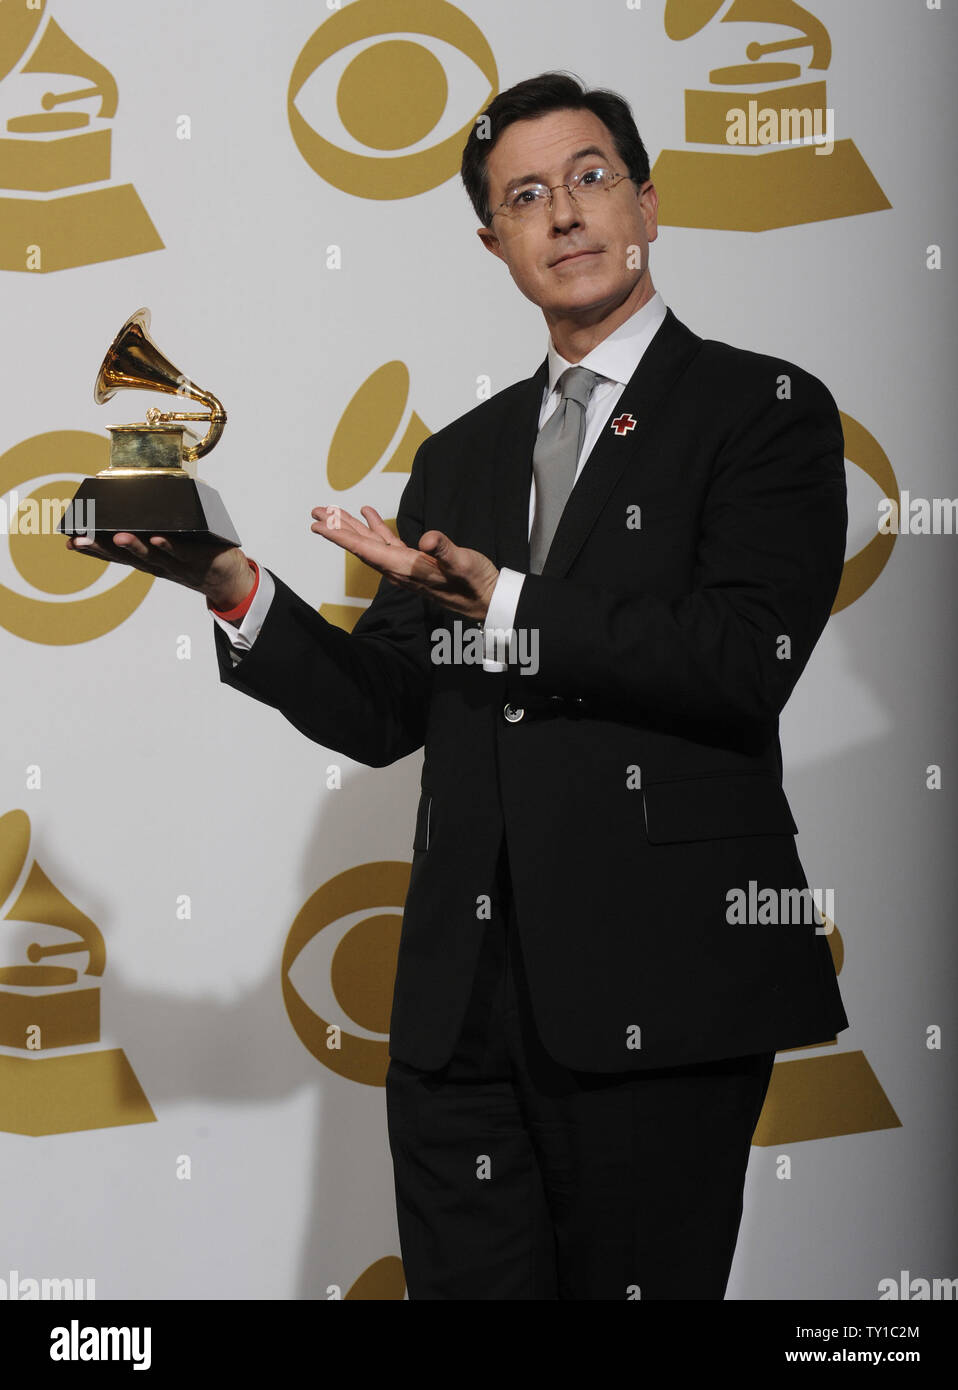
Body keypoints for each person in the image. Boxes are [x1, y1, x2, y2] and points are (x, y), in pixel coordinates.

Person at [67, 72, 848, 1301]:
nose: (566, 213)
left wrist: (508, 602)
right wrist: (231, 584)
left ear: (648, 203)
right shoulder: (460, 453)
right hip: (457, 1019)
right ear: (495, 245)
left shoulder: (764, 409)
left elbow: (743, 660)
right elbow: (385, 708)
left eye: (591, 178)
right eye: (525, 195)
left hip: (656, 995)